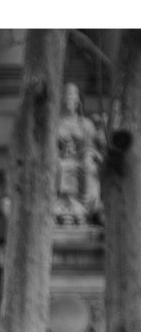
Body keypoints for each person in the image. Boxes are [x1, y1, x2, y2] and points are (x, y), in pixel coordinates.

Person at [55, 82, 104, 225]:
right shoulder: (55, 124)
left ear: (78, 100)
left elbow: (93, 147)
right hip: (60, 159)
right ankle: (64, 210)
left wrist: (89, 154)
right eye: (67, 94)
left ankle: (81, 210)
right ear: (62, 98)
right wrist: (58, 152)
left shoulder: (86, 124)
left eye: (73, 94)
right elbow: (49, 146)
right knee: (60, 166)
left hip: (81, 159)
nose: (70, 98)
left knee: (89, 167)